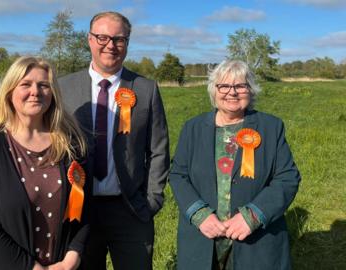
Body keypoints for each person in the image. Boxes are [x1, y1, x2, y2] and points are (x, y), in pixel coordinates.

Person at [58, 11, 170, 270]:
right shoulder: (63, 87)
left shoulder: (145, 88)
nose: (111, 45)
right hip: (78, 210)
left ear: (127, 43)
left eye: (119, 39)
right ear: (89, 39)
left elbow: (158, 149)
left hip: (130, 209)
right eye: (102, 37)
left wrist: (152, 199)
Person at [169, 59, 301, 270]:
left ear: (250, 90)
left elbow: (287, 178)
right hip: (203, 237)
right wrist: (200, 215)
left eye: (240, 85)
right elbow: (178, 175)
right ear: (214, 90)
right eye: (224, 85)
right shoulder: (192, 128)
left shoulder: (271, 127)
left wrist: (253, 216)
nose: (232, 92)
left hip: (255, 241)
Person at [0, 56, 89, 270]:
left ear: (53, 93)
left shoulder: (71, 145)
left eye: (43, 85)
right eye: (25, 84)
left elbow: (86, 209)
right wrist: (32, 267)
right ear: (10, 91)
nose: (35, 92)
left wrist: (72, 258)